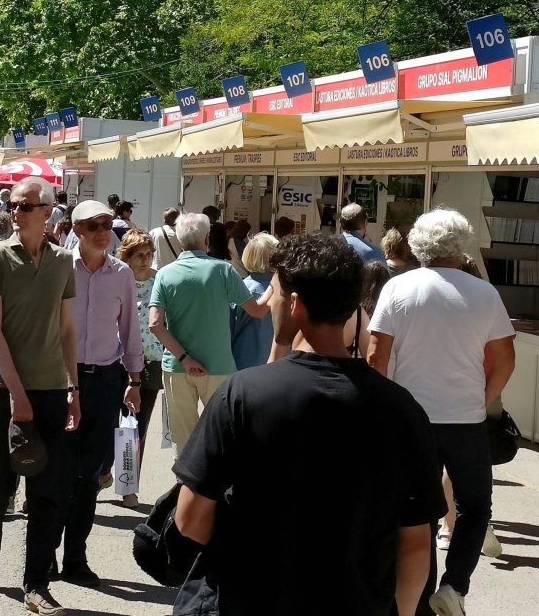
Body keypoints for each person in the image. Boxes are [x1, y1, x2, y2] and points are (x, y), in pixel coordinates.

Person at [172, 233, 445, 616]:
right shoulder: (402, 409)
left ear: (296, 304)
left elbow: (189, 519)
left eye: (275, 294)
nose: (270, 304)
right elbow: (417, 543)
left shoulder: (242, 396)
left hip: (253, 599)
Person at [368, 208, 516, 616]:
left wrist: (386, 407)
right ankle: (454, 587)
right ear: (462, 243)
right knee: (475, 505)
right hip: (466, 419)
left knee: (418, 512)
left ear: (419, 244)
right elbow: (505, 359)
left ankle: (417, 597)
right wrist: (483, 401)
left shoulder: (398, 289)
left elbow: (376, 355)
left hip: (410, 420)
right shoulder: (484, 293)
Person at [0, 177, 80, 616]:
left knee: (48, 490)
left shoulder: (62, 262)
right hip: (5, 390)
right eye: (13, 206)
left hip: (52, 388)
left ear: (47, 212)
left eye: (25, 206)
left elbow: (68, 330)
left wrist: (73, 387)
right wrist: (16, 393)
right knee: (0, 483)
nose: (15, 213)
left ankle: (35, 584)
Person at [53, 201, 141, 585]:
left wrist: (135, 382)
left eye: (107, 224)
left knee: (89, 476)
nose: (104, 231)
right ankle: (43, 558)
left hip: (106, 381)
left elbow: (131, 328)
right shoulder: (57, 266)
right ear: (76, 229)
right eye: (94, 225)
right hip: (60, 381)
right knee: (57, 474)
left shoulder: (121, 273)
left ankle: (75, 558)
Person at [149, 213, 271, 453]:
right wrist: (274, 287)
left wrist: (185, 358)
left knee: (183, 440)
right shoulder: (223, 271)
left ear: (180, 242)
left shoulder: (165, 274)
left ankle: (185, 485)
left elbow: (155, 324)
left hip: (177, 366)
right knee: (221, 434)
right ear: (207, 239)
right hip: (218, 366)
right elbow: (257, 311)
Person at [113, 230, 160, 508]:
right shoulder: (118, 280)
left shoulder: (160, 281)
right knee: (111, 425)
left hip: (149, 362)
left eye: (149, 254)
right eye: (139, 255)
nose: (145, 260)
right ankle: (107, 471)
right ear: (126, 257)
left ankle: (129, 486)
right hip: (115, 361)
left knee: (136, 427)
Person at [230, 232, 279, 370]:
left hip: (244, 365)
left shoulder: (241, 289)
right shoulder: (287, 290)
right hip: (279, 366)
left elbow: (230, 330)